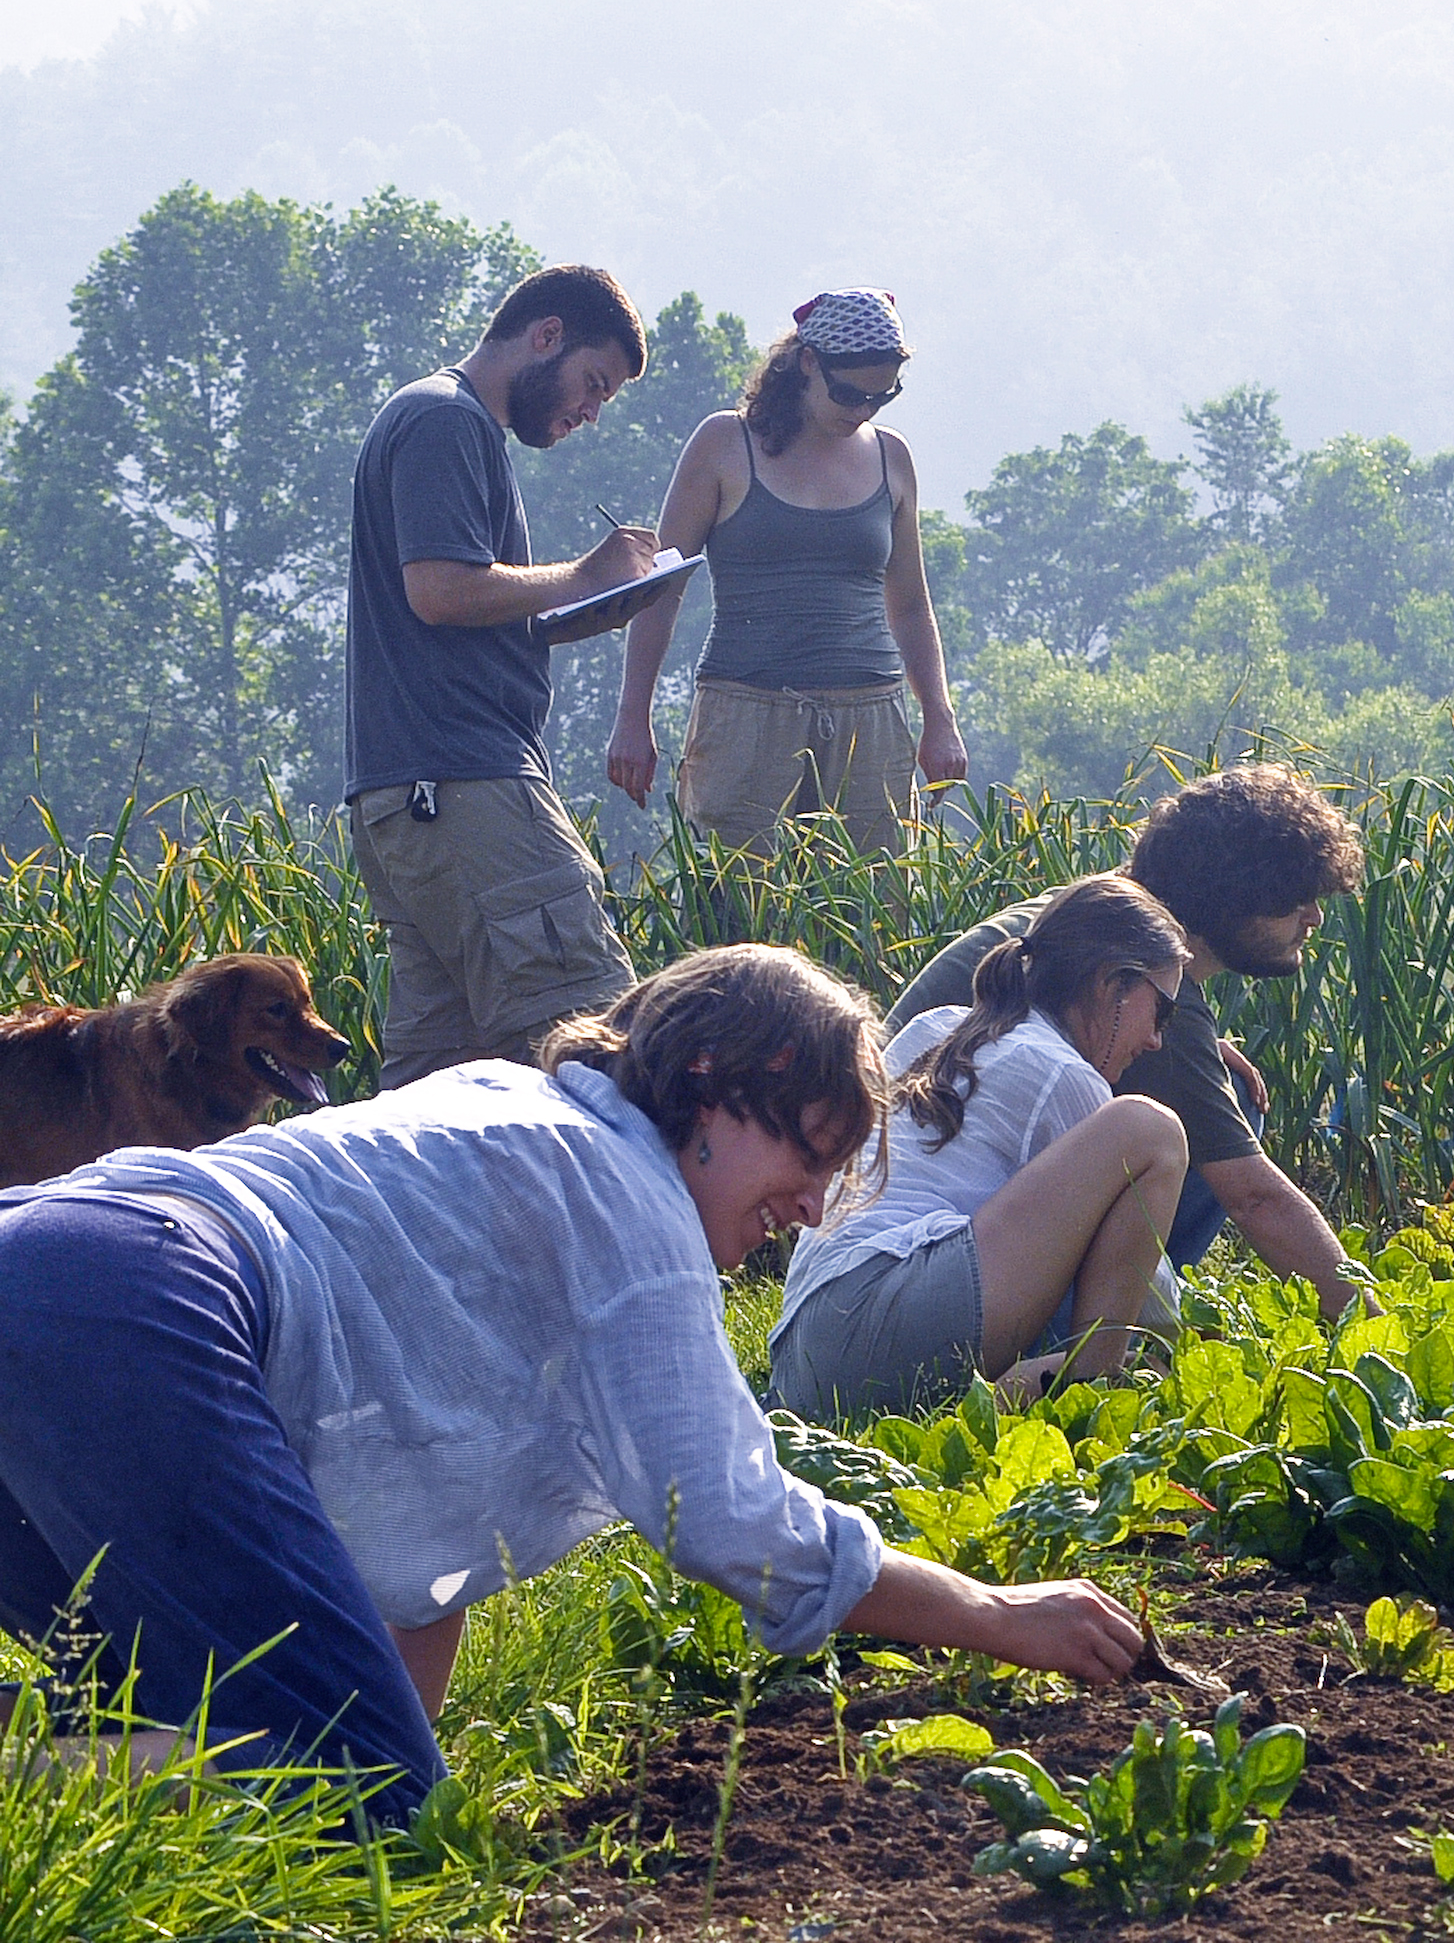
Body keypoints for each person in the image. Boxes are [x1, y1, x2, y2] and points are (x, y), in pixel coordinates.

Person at [0, 945, 1145, 1822]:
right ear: (714, 1081)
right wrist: (998, 1613)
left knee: (148, 1718)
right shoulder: (624, 1195)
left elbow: (417, 1486)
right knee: (348, 1784)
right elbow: (743, 1522)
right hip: (135, 1309)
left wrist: (414, 1733)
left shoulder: (516, 1107)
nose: (807, 1208)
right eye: (810, 1157)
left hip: (51, 1260)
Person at [888, 764, 1362, 1320]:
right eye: (1292, 899)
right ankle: (1108, 1323)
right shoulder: (1146, 976)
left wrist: (1202, 1047)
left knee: (1226, 1089)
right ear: (1232, 898)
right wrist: (1372, 1329)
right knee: (1198, 1132)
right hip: (928, 1266)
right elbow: (1253, 1196)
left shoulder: (1107, 913)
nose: (1314, 916)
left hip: (885, 1222)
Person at [344, 264, 658, 1090]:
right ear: (545, 334)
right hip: (468, 788)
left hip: (413, 798)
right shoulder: (445, 420)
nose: (588, 413)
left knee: (430, 1100)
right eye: (593, 384)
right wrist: (587, 576)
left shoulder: (446, 424)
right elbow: (441, 588)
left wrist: (586, 604)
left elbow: (461, 602)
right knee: (608, 1056)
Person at [770, 877, 1195, 1421]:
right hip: (886, 1314)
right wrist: (1185, 1343)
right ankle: (1089, 1393)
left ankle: (990, 1400)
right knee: (1150, 1130)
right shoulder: (1062, 1074)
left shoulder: (937, 1027)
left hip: (804, 1353)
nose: (1158, 1039)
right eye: (1162, 1013)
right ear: (1113, 984)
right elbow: (1148, 1297)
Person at [605, 289, 968, 855]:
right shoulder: (724, 443)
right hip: (745, 715)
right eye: (849, 392)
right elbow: (661, 590)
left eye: (883, 395)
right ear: (807, 362)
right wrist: (633, 717)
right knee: (735, 908)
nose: (863, 410)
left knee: (871, 911)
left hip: (870, 721)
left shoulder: (892, 457)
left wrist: (939, 720)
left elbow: (911, 605)